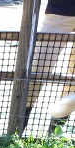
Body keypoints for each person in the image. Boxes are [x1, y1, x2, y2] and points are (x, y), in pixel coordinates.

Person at [26, 0, 75, 132]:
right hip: (59, 10)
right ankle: (15, 133)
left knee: (73, 82)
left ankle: (53, 136)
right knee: (35, 71)